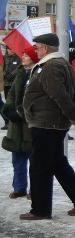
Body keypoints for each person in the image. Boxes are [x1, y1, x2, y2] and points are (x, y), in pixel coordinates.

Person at [20, 33, 75, 220]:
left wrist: (72, 114)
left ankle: (40, 209)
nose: (35, 50)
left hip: (47, 123)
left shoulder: (51, 66)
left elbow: (59, 94)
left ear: (45, 48)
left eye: (37, 47)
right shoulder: (62, 64)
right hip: (50, 122)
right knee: (57, 163)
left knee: (39, 167)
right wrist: (74, 112)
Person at [2, 46, 36, 199]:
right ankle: (19, 187)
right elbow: (12, 95)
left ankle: (34, 189)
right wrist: (8, 110)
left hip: (30, 123)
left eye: (25, 55)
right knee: (17, 159)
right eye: (22, 55)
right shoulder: (20, 73)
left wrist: (20, 112)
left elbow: (34, 99)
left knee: (34, 160)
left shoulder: (37, 74)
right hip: (16, 125)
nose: (22, 57)